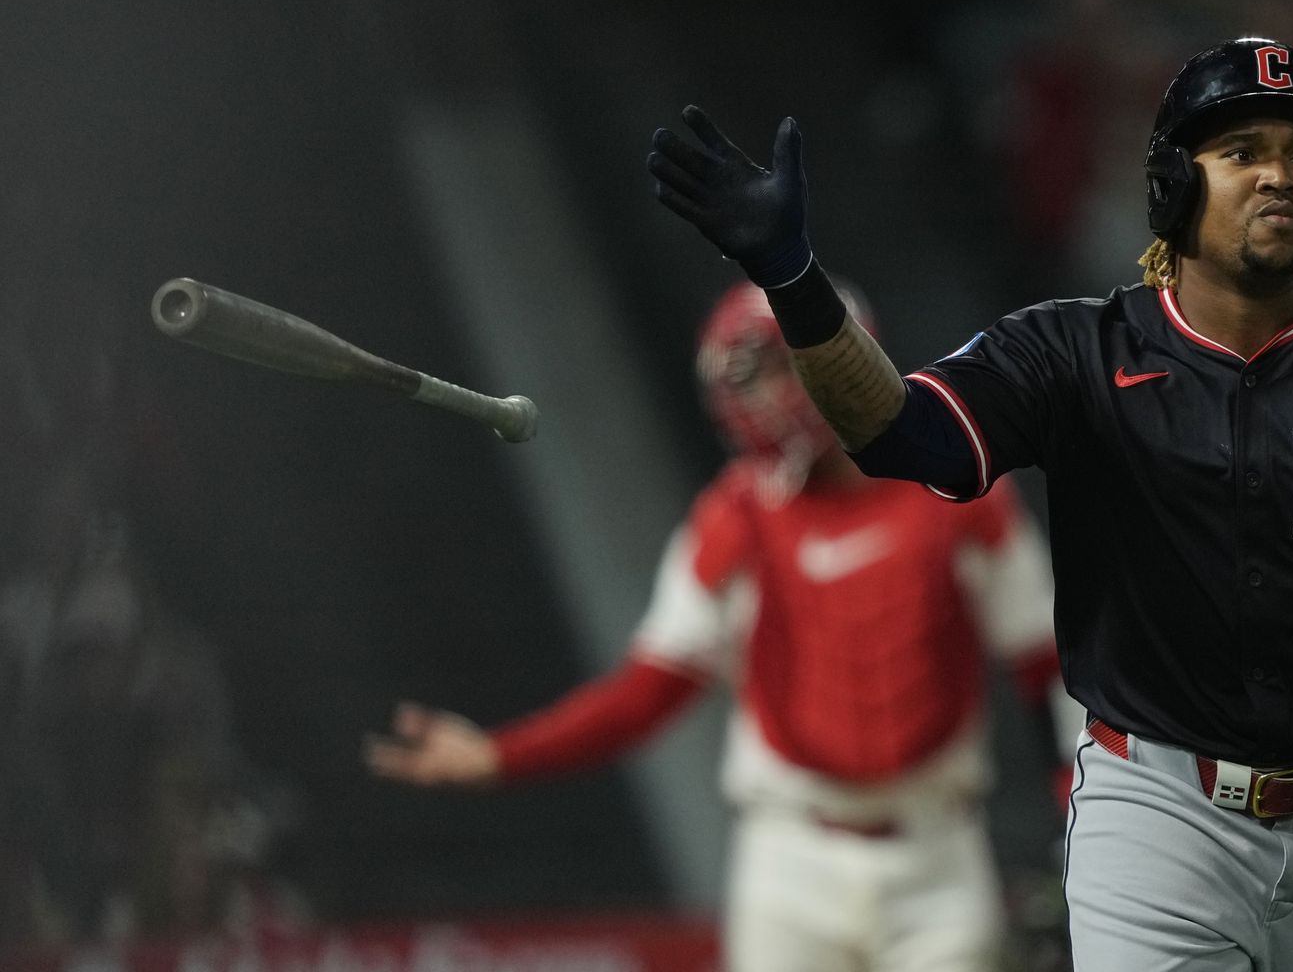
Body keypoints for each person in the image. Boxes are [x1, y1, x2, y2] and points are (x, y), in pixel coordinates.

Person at [647, 36, 1293, 970]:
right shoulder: (1076, 353)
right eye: (1243, 151)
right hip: (1160, 804)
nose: (1280, 175)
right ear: (1173, 183)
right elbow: (896, 431)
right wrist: (795, 284)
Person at [365, 281, 1068, 972]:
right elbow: (649, 690)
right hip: (791, 861)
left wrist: (1087, 820)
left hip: (939, 858)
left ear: (850, 359)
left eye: (778, 369)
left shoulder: (961, 492)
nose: (760, 399)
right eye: (749, 380)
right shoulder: (735, 517)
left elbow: (1051, 668)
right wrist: (503, 754)